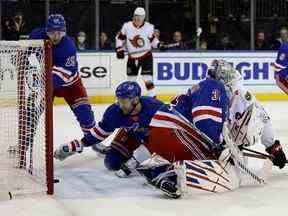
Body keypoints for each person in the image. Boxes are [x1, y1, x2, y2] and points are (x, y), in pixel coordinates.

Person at [54, 81, 164, 173]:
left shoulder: (156, 108)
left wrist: (139, 157)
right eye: (119, 100)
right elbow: (100, 132)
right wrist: (79, 144)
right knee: (112, 163)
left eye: (123, 101)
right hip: (131, 134)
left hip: (154, 140)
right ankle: (117, 149)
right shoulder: (115, 112)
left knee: (158, 165)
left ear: (135, 100)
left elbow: (169, 134)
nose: (120, 105)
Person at [29, 14, 99, 151]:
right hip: (48, 80)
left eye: (59, 32)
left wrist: (36, 80)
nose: (55, 36)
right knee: (32, 113)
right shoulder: (36, 35)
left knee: (85, 115)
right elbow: (26, 51)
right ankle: (25, 142)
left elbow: (54, 81)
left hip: (70, 85)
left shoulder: (68, 47)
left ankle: (94, 141)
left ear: (64, 31)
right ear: (46, 30)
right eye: (52, 32)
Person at [208, 59, 286, 170]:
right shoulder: (210, 94)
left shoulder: (242, 95)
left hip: (231, 142)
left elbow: (262, 117)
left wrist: (273, 147)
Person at [115, 7, 167, 98]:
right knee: (131, 80)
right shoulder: (127, 26)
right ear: (133, 16)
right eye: (136, 16)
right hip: (132, 57)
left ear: (144, 18)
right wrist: (119, 48)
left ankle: (153, 97)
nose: (138, 19)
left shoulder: (149, 27)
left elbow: (153, 40)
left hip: (146, 56)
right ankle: (130, 97)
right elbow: (119, 38)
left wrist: (159, 45)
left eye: (140, 17)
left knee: (147, 78)